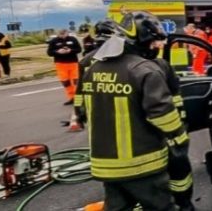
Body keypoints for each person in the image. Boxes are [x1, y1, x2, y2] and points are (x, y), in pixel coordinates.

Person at [79, 11, 185, 211]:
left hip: (106, 165)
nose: (157, 47)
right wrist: (179, 137)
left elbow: (87, 108)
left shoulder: (95, 68)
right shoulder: (145, 70)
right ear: (140, 41)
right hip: (142, 164)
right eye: (154, 42)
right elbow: (162, 115)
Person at [152, 49, 195, 211]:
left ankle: (182, 203)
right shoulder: (159, 66)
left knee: (175, 169)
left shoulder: (133, 67)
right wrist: (179, 131)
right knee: (178, 167)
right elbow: (174, 95)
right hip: (167, 130)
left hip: (156, 132)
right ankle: (183, 203)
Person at [70, 19, 116, 132]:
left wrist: (78, 113)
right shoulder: (123, 57)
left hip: (95, 109)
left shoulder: (85, 61)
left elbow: (79, 91)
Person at [47, 29, 82, 106]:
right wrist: (57, 51)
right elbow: (49, 52)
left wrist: (70, 50)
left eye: (64, 34)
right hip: (60, 64)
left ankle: (79, 100)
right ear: (58, 34)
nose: (62, 35)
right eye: (60, 34)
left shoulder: (73, 39)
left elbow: (79, 49)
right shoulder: (54, 41)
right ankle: (71, 98)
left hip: (73, 63)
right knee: (66, 82)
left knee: (76, 82)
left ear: (67, 33)